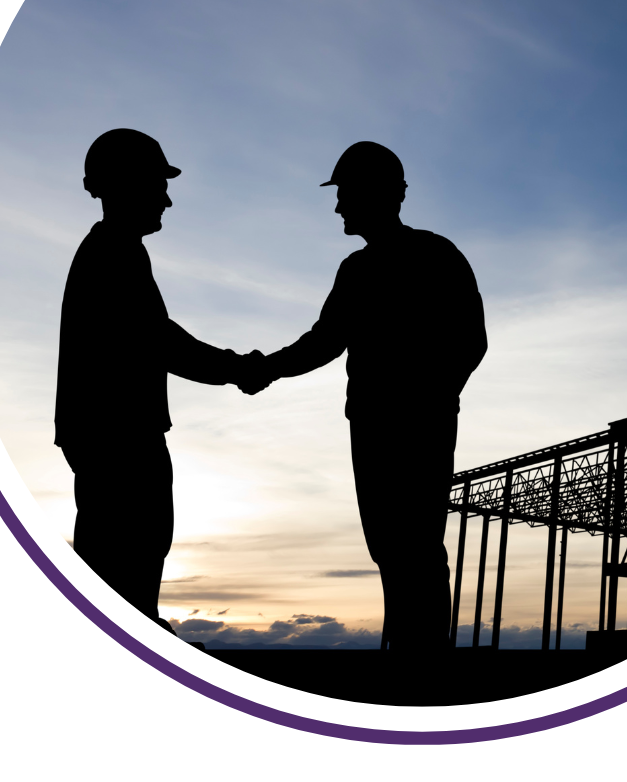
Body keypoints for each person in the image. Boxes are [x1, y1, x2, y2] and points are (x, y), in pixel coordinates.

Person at [239, 142, 487, 651]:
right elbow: (324, 342)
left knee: (415, 544)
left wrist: (430, 398)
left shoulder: (436, 255)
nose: (337, 208)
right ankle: (405, 653)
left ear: (380, 194)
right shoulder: (356, 269)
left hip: (415, 425)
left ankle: (423, 662)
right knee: (390, 546)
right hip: (373, 425)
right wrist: (267, 367)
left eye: (345, 194)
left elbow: (470, 340)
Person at [54, 128, 251, 632]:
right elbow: (160, 342)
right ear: (126, 183)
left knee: (129, 559)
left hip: (111, 435)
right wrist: (238, 368)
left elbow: (157, 338)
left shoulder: (115, 252)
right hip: (119, 437)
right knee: (128, 560)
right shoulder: (112, 254)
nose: (166, 198)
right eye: (157, 184)